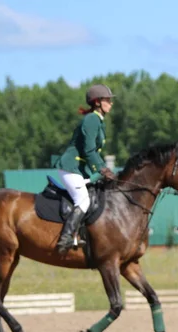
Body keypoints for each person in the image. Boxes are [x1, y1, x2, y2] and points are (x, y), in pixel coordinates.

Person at [53, 84, 118, 254]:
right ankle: (65, 238)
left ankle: (81, 236)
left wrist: (102, 170)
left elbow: (92, 151)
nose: (111, 103)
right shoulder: (91, 119)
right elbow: (89, 150)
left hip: (80, 168)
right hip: (70, 166)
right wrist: (102, 169)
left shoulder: (98, 120)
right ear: (97, 102)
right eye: (108, 100)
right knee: (83, 200)